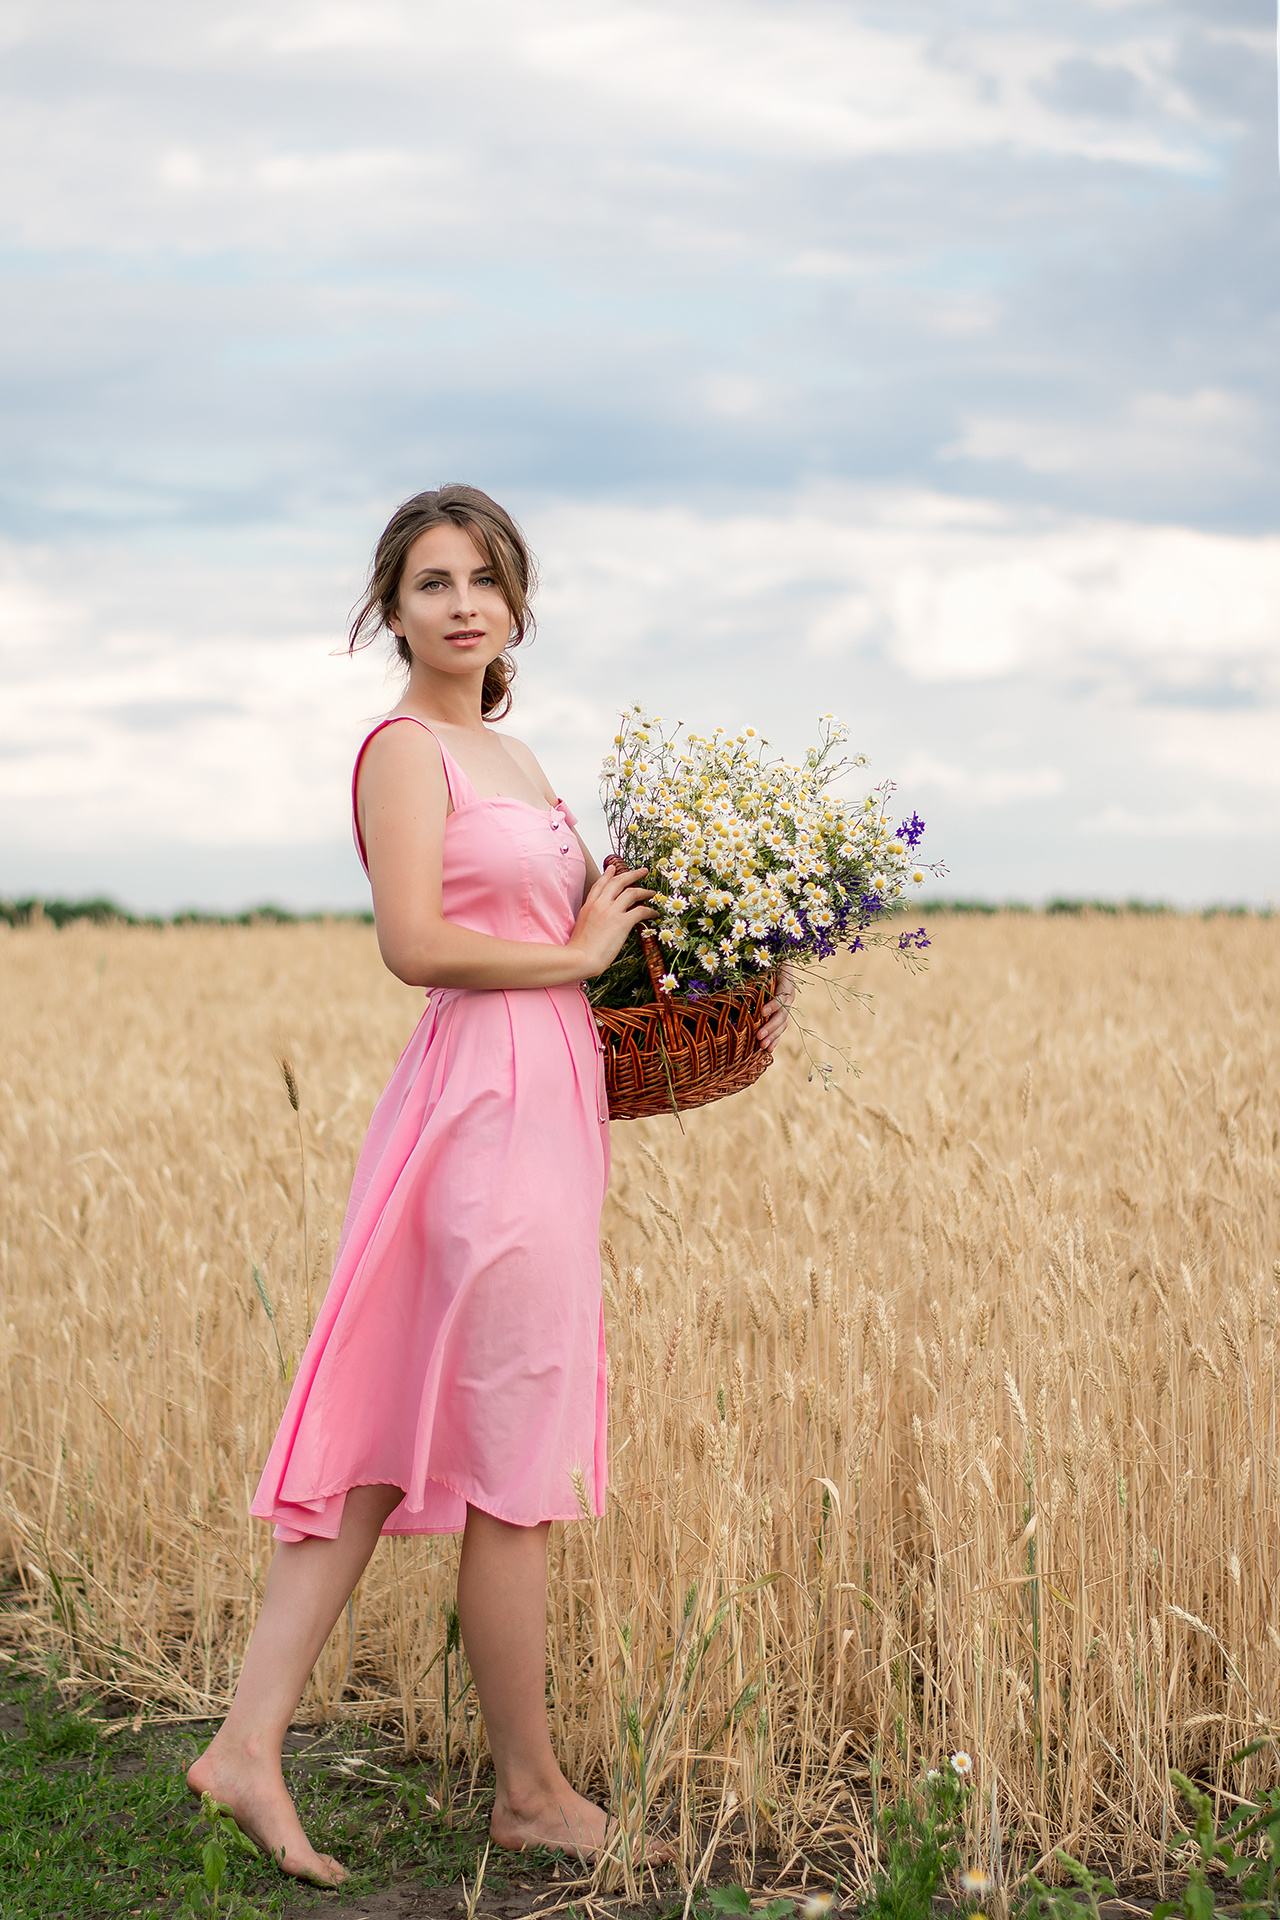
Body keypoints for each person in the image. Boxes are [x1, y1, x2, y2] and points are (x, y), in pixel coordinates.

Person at [187, 485, 793, 1886]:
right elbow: (415, 941)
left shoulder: (515, 755)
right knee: (514, 1460)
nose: (461, 603)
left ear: (517, 606)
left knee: (401, 1433)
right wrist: (580, 958)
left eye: (484, 580)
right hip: (481, 1103)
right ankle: (528, 1792)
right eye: (429, 582)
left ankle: (244, 1743)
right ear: (388, 611)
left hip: (546, 1098)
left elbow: (567, 926)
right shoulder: (404, 750)